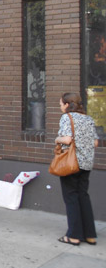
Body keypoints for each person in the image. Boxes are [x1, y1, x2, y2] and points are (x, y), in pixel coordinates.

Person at [55, 92, 98, 246]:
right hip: (86, 164)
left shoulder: (67, 117)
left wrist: (57, 139)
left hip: (71, 164)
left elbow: (67, 139)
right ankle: (90, 235)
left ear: (67, 104)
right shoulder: (88, 119)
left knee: (71, 198)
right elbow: (95, 143)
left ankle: (73, 236)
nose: (60, 106)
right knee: (83, 197)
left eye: (61, 103)